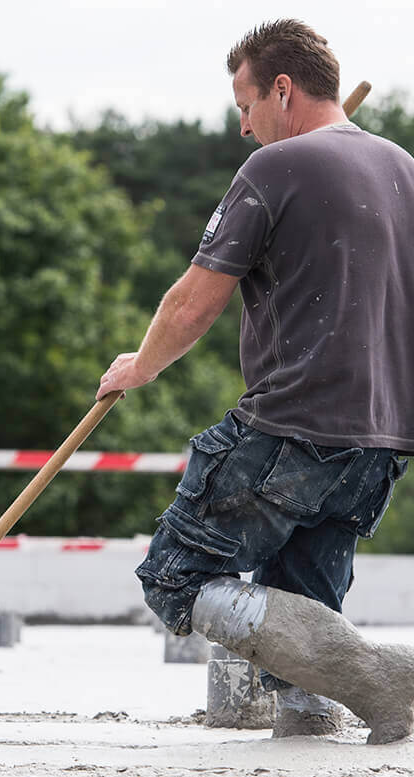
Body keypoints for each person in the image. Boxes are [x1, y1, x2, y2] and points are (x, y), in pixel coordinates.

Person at [96, 19, 413, 743]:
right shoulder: (404, 168)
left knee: (174, 576)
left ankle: (369, 672)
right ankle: (319, 716)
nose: (243, 128)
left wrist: (140, 365)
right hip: (380, 442)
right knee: (301, 616)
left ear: (282, 88)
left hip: (291, 429)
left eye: (245, 106)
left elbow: (195, 299)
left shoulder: (275, 168)